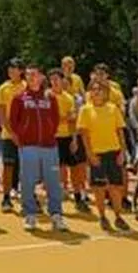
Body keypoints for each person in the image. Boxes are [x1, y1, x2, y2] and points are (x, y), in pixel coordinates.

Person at [9, 64, 67, 232]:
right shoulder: (19, 98)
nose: (31, 77)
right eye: (28, 75)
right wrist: (23, 135)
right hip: (28, 146)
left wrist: (49, 132)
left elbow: (55, 120)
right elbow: (14, 121)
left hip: (49, 146)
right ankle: (30, 214)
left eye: (34, 74)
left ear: (41, 77)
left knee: (53, 182)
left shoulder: (50, 98)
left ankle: (56, 214)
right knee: (28, 180)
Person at [78, 80, 130, 232]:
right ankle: (102, 216)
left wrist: (122, 151)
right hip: (97, 153)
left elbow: (120, 132)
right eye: (93, 89)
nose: (97, 92)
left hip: (113, 152)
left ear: (105, 92)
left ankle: (118, 216)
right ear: (89, 93)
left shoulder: (113, 109)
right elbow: (84, 135)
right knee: (98, 188)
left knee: (116, 187)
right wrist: (90, 154)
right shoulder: (85, 110)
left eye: (100, 89)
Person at [49, 69, 88, 212]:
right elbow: (49, 120)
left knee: (75, 168)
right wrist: (62, 118)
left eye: (56, 79)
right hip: (52, 138)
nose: (54, 82)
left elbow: (73, 119)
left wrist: (74, 139)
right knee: (56, 170)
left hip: (67, 137)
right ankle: (55, 199)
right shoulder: (47, 96)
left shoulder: (68, 97)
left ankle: (78, 197)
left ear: (62, 80)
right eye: (52, 79)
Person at [0, 58, 26, 212]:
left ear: (21, 71)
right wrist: (12, 133)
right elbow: (1, 115)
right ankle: (6, 198)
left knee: (28, 167)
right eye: (10, 68)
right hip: (8, 135)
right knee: (8, 166)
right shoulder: (3, 88)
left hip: (27, 135)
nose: (11, 71)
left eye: (15, 68)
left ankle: (29, 196)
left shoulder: (27, 87)